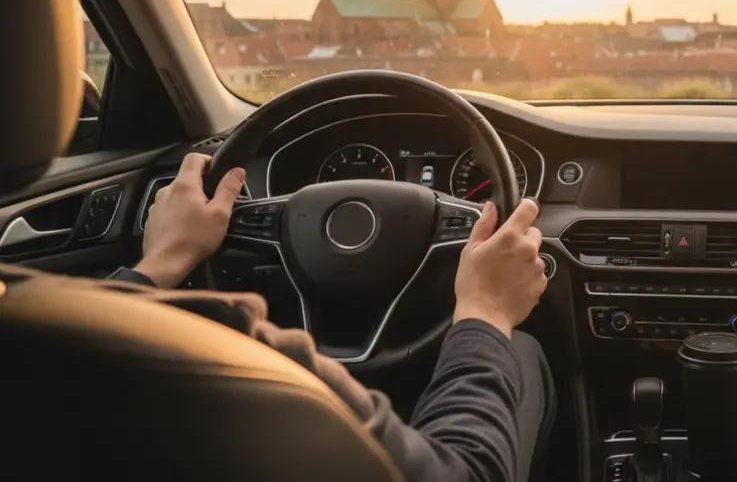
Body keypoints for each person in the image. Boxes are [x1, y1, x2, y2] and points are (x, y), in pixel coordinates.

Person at [106, 152, 555, 482]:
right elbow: (472, 471)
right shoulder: (262, 363)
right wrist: (484, 310)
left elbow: (98, 321)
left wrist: (162, 260)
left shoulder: (65, 339)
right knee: (519, 349)